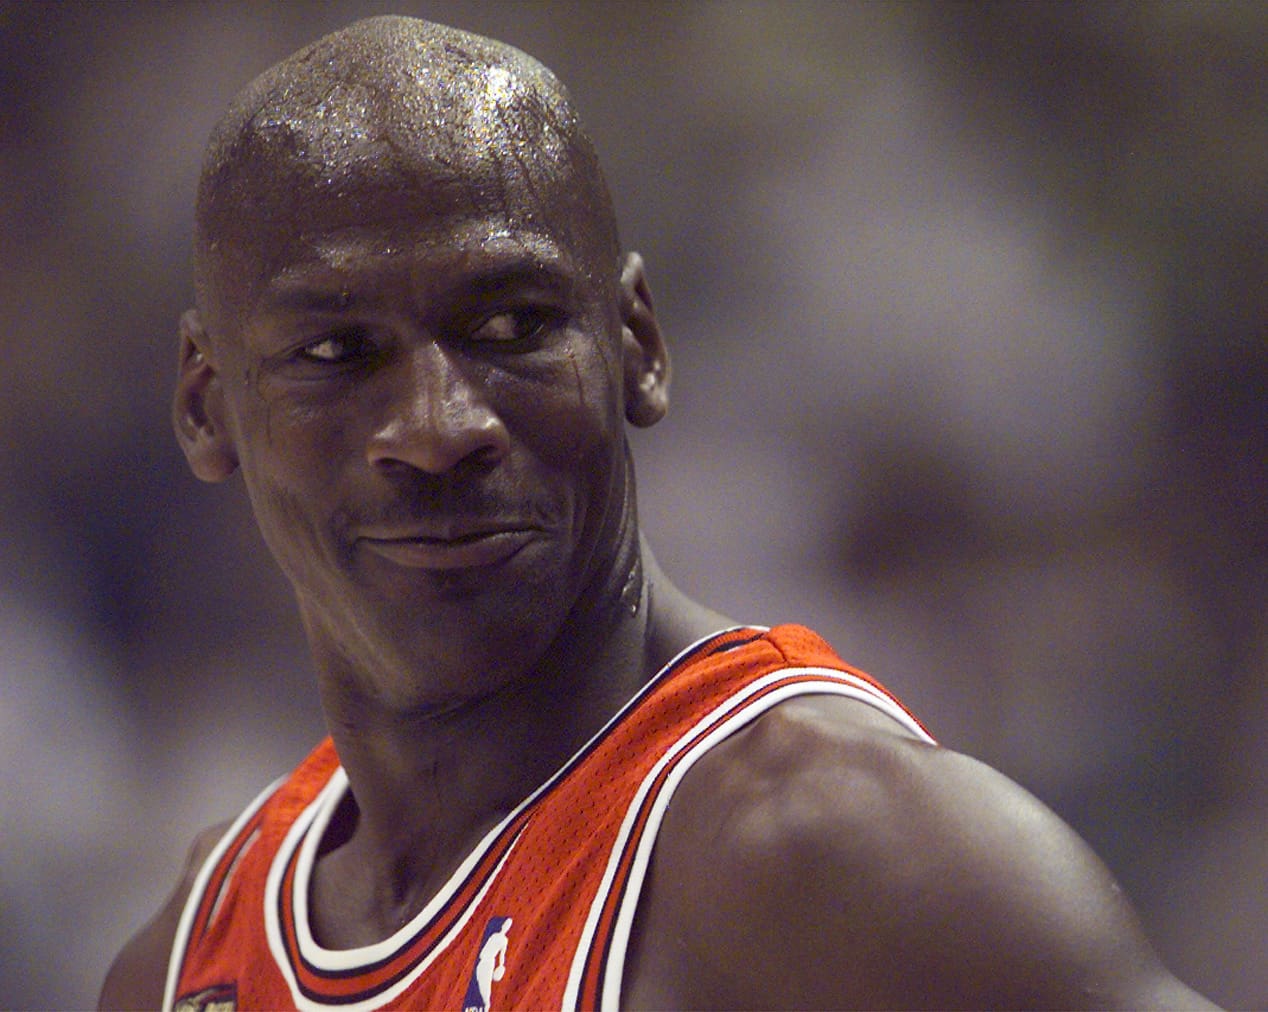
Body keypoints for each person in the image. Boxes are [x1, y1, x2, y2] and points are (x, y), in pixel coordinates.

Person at [100, 15, 1212, 1011]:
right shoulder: (189, 961)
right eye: (337, 353)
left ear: (635, 342)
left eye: (511, 326)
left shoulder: (839, 860)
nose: (438, 427)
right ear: (207, 409)